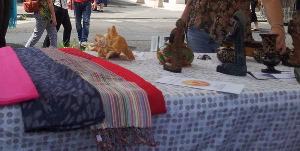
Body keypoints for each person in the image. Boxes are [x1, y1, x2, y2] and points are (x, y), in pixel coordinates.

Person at [181, 0, 287, 55]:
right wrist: (182, 20)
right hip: (197, 29)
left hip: (234, 34)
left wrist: (277, 26)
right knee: (198, 80)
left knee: (233, 81)